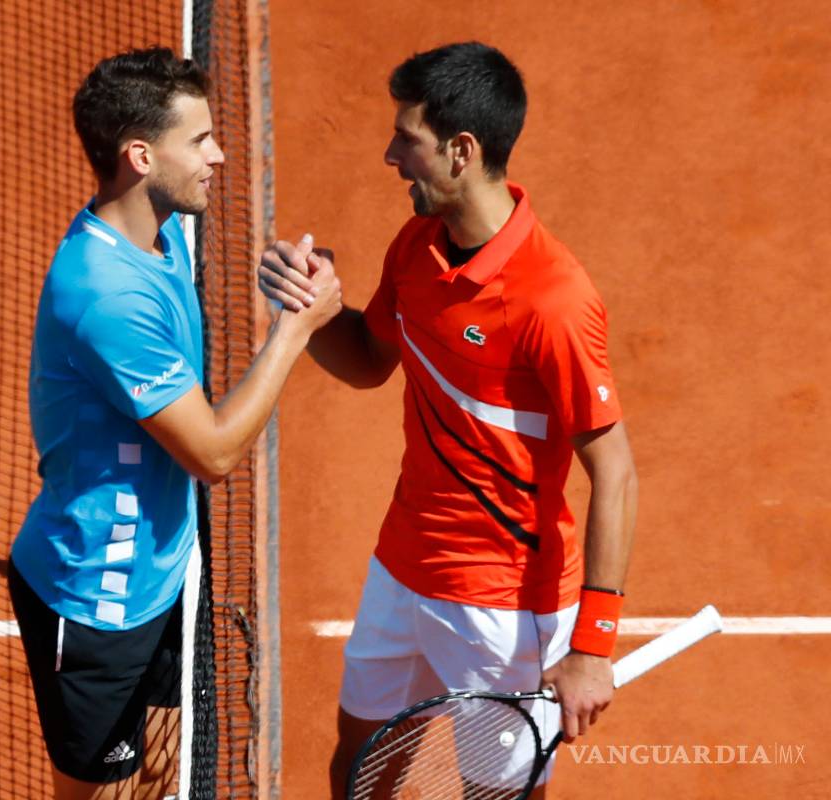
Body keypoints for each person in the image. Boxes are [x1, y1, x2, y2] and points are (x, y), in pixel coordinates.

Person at [258, 42, 637, 798]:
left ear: (462, 152)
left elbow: (616, 471)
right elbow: (369, 361)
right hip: (403, 564)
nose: (390, 154)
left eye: (408, 138)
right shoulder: (416, 248)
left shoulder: (552, 299)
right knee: (360, 771)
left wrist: (592, 646)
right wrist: (314, 312)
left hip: (504, 606)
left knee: (494, 795)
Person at [9, 48, 341, 800]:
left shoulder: (162, 233)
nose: (218, 155)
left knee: (160, 770)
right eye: (199, 140)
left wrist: (273, 274)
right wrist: (295, 329)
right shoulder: (105, 296)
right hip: (98, 597)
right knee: (97, 794)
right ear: (139, 155)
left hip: (160, 573)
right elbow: (215, 453)